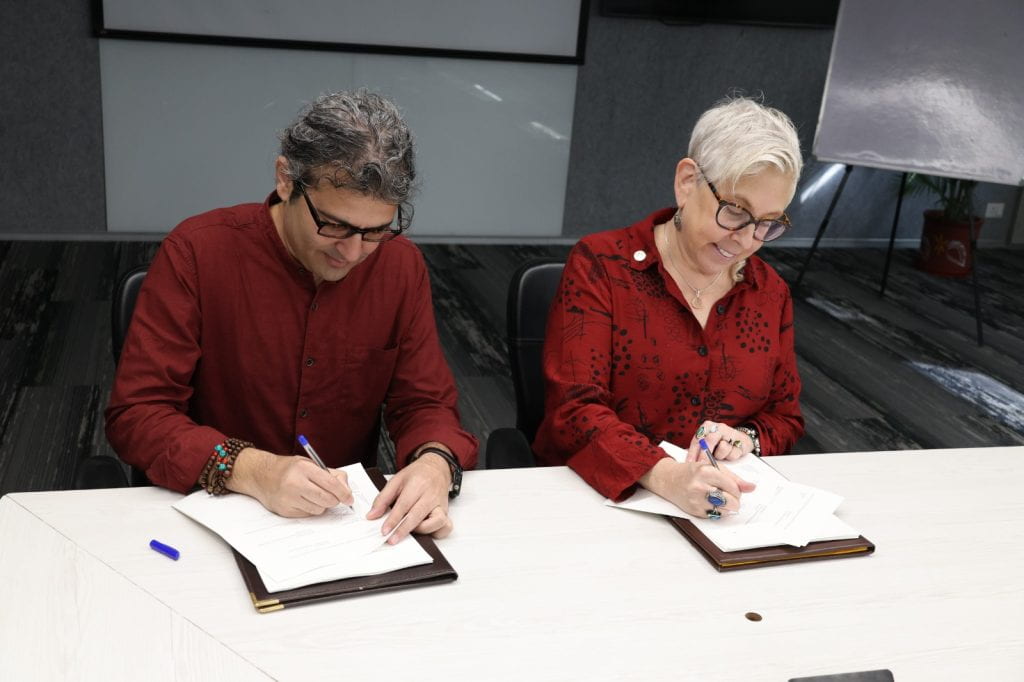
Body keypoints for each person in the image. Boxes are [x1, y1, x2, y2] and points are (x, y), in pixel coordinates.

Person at [106, 90, 478, 543]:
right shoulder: (198, 253)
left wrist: (435, 463)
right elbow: (138, 414)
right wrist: (253, 469)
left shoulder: (399, 266)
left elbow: (424, 403)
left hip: (335, 526)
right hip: (209, 513)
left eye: (377, 231)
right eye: (335, 225)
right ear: (286, 179)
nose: (354, 252)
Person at [533, 96, 804, 519]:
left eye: (769, 223)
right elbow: (574, 410)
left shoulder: (769, 292)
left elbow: (785, 417)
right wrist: (663, 475)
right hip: (601, 506)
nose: (747, 240)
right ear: (687, 181)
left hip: (723, 513)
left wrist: (744, 438)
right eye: (735, 212)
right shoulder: (603, 266)